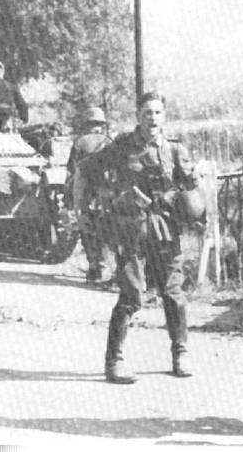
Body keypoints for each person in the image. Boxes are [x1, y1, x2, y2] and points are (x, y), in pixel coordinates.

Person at [83, 91, 200, 384]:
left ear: (164, 117)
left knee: (173, 293)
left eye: (158, 113)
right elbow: (88, 170)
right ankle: (114, 361)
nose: (152, 118)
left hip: (165, 228)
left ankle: (180, 352)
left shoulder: (175, 151)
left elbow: (191, 187)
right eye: (147, 112)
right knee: (131, 294)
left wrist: (189, 196)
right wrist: (98, 204)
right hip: (131, 229)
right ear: (138, 116)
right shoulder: (121, 146)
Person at [66, 107, 113, 283]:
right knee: (104, 227)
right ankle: (103, 266)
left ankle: (94, 265)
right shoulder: (108, 142)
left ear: (86, 124)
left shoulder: (79, 142)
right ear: (101, 125)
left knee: (85, 226)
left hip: (84, 190)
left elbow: (71, 170)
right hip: (105, 191)